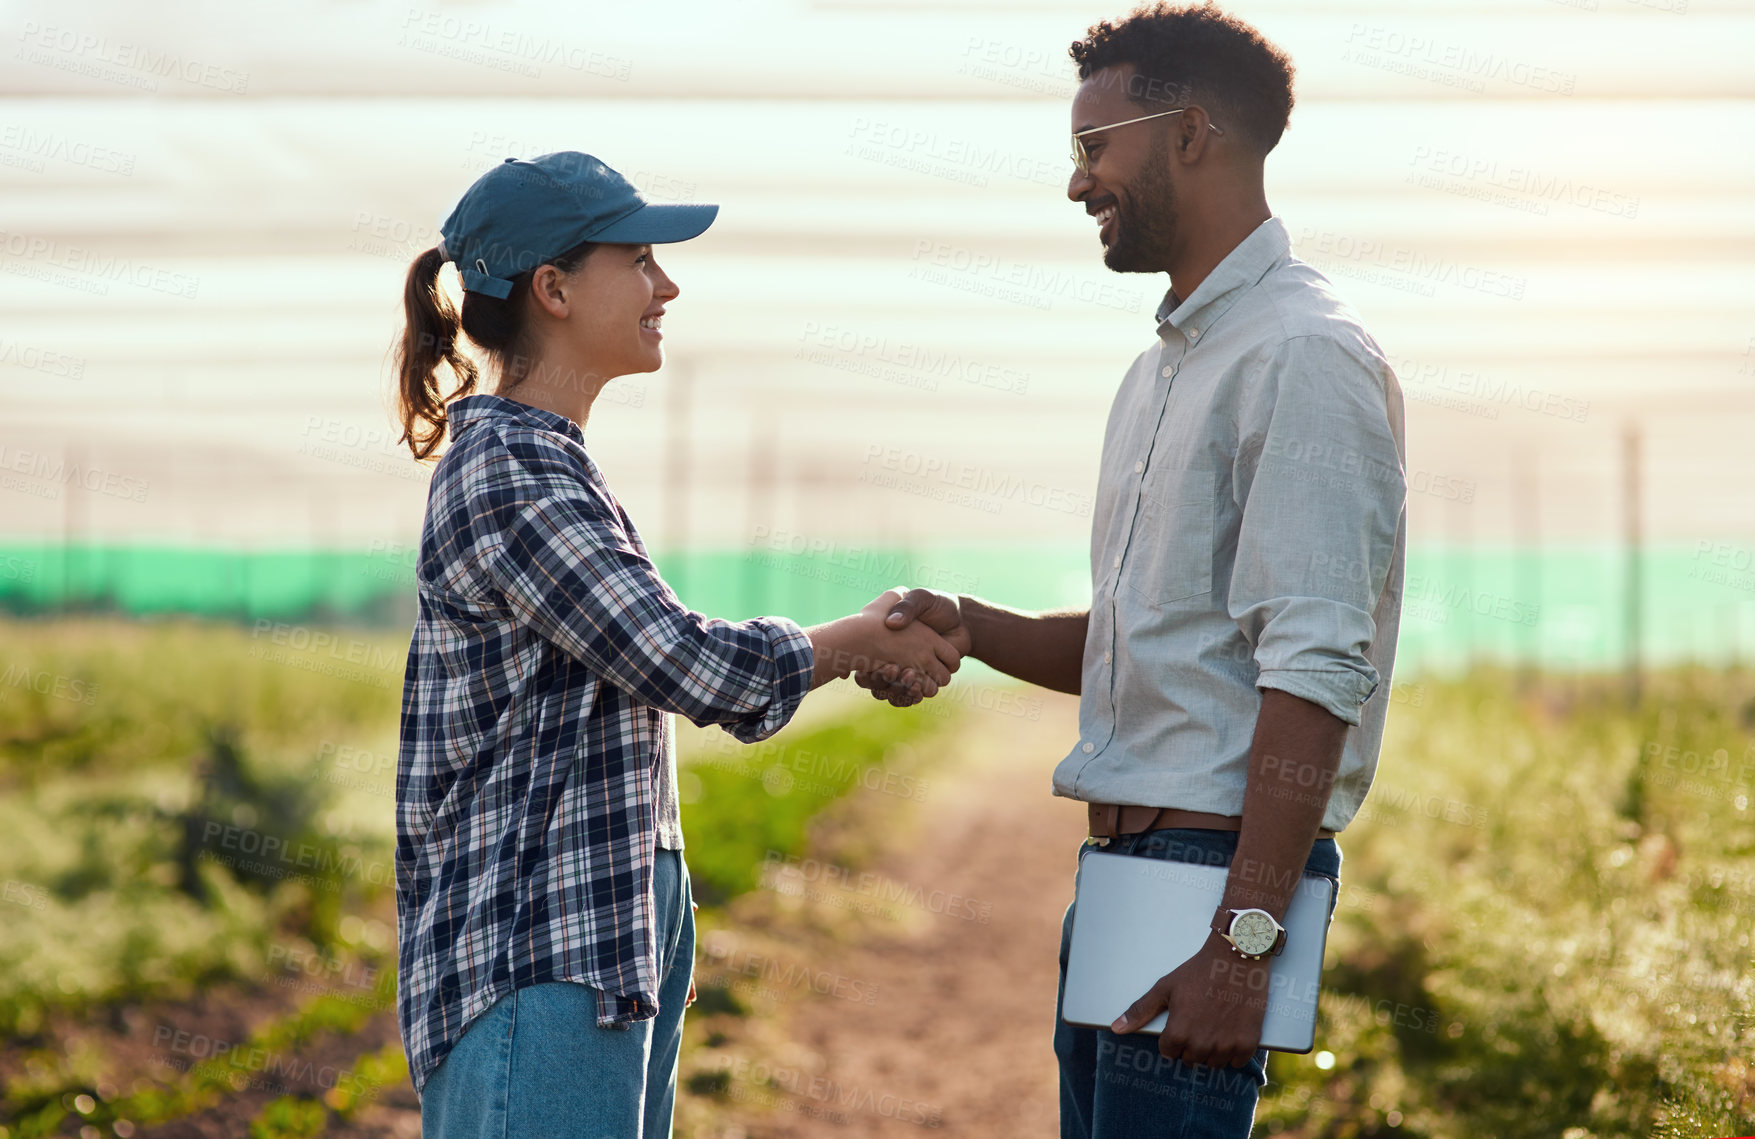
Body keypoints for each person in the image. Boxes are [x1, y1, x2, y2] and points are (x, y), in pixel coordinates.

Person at [859, 5, 1407, 1137]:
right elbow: (1147, 645)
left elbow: (1314, 671)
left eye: (1093, 147)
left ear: (1190, 132)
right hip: (1126, 880)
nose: (1078, 185)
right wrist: (971, 620)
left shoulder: (1301, 355)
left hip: (1207, 885)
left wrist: (1243, 941)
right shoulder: (1163, 372)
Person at [389, 152, 961, 1138]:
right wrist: (861, 641)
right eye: (642, 260)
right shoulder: (514, 479)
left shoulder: (550, 464)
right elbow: (683, 661)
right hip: (537, 953)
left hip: (591, 945)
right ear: (554, 288)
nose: (668, 286)